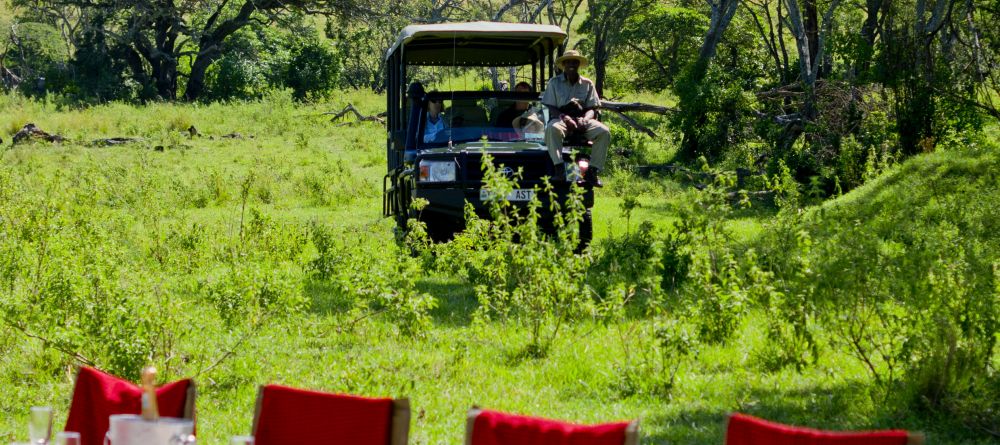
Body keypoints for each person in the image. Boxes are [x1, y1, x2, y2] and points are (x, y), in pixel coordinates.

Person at [541, 50, 610, 187]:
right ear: (564, 65)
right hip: (561, 117)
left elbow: (592, 107)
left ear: (578, 64)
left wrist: (585, 119)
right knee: (552, 128)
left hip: (582, 117)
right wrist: (566, 118)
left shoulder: (587, 83)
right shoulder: (555, 83)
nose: (571, 64)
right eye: (568, 62)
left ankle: (592, 171)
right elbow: (551, 106)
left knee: (604, 132)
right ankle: (559, 169)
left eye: (574, 62)